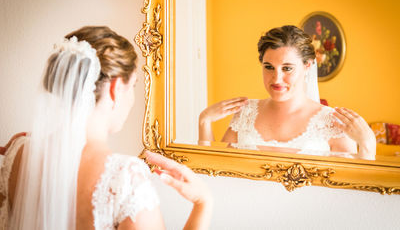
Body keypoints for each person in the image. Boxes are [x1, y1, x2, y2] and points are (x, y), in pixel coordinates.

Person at [0, 26, 212, 230]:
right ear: (116, 88)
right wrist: (203, 204)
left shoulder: (17, 153)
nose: (132, 99)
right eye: (133, 85)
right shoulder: (124, 177)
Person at [198, 25, 376, 160]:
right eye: (269, 67)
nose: (276, 78)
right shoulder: (245, 113)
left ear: (307, 66)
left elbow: (348, 191)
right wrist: (204, 121)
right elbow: (216, 172)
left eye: (287, 68)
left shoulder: (332, 123)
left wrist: (368, 145)